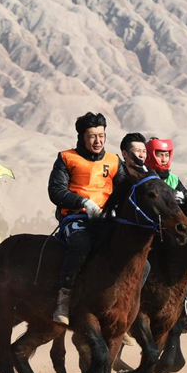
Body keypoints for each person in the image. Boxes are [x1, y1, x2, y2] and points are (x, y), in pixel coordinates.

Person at [47, 112, 125, 325]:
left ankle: (128, 309)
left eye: (102, 135)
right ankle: (63, 299)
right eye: (92, 136)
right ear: (82, 136)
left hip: (107, 220)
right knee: (81, 243)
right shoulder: (66, 158)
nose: (98, 141)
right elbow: (56, 191)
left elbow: (126, 189)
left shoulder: (114, 161)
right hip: (75, 218)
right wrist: (84, 203)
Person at [144, 137, 187, 334]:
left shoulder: (174, 180)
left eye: (166, 155)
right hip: (147, 233)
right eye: (159, 154)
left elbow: (186, 205)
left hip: (169, 237)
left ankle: (185, 308)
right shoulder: (145, 178)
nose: (163, 159)